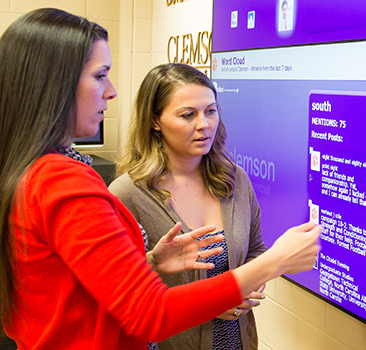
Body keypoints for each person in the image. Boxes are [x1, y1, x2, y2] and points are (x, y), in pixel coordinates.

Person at [0, 8, 321, 349]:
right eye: (99, 76)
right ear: (53, 84)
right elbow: (150, 314)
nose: (110, 91)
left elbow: (80, 292)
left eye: (210, 111)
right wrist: (275, 262)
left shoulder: (32, 171)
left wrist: (149, 263)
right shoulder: (62, 182)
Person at [109, 63, 268, 350]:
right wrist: (206, 303)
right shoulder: (127, 195)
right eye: (187, 115)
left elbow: (256, 249)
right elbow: (119, 293)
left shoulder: (234, 180)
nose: (203, 124)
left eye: (210, 110)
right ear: (154, 121)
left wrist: (251, 284)